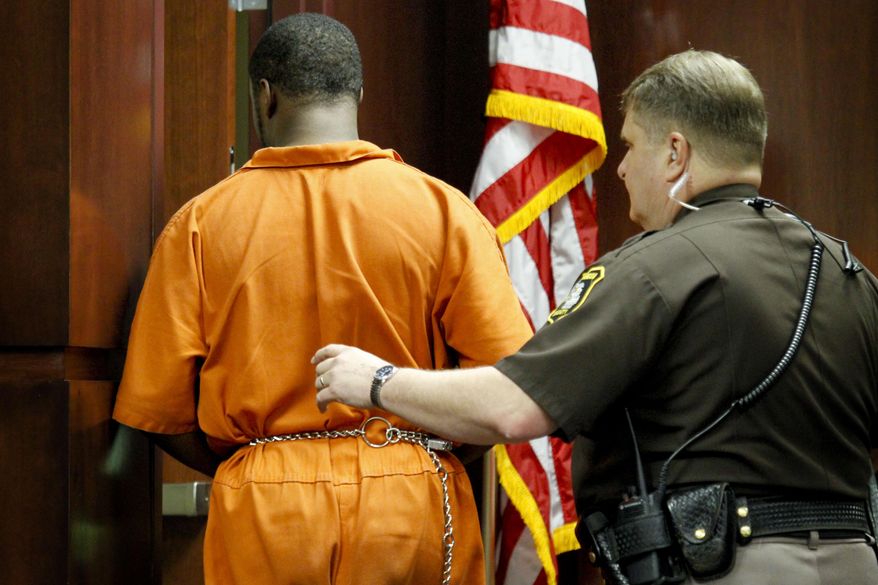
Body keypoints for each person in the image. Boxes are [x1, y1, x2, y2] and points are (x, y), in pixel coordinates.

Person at [313, 49, 878, 585]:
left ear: (676, 153)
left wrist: (378, 381)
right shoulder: (850, 271)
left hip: (719, 568)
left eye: (632, 146)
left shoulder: (656, 266)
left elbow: (514, 408)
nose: (623, 169)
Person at [113, 12, 532, 585]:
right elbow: (507, 386)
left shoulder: (199, 226)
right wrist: (419, 444)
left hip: (264, 507)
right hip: (409, 495)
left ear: (264, 96)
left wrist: (259, 461)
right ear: (359, 93)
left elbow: (158, 411)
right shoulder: (444, 213)